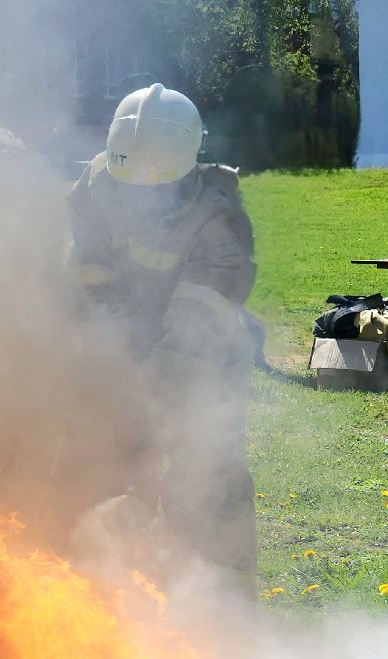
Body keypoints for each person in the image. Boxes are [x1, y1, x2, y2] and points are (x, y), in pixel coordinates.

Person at [67, 84, 259, 588]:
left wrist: (145, 394)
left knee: (209, 476)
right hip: (127, 347)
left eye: (151, 190)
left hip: (204, 357)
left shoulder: (222, 223)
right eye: (127, 184)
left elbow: (191, 334)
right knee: (101, 465)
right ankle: (105, 597)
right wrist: (108, 366)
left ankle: (222, 605)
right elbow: (91, 287)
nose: (136, 199)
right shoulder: (94, 187)